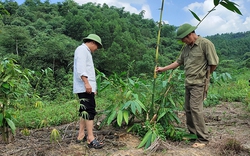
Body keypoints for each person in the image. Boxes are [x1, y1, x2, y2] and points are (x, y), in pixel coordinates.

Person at [156, 23, 219, 147]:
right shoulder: (186, 48)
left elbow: (214, 63)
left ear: (189, 34)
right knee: (188, 109)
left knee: (196, 109)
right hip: (188, 83)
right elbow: (178, 62)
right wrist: (163, 69)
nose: (182, 41)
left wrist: (205, 76)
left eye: (183, 39)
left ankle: (203, 139)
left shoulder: (205, 44)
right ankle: (193, 135)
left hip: (199, 83)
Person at [73, 34, 104, 149]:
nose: (96, 49)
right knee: (90, 111)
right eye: (97, 47)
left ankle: (81, 135)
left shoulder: (85, 51)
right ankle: (90, 138)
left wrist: (92, 87)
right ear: (93, 43)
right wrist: (87, 83)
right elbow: (81, 68)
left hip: (86, 87)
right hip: (84, 87)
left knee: (84, 110)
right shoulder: (82, 50)